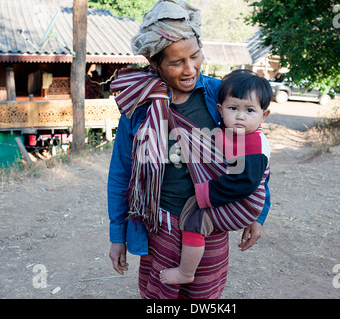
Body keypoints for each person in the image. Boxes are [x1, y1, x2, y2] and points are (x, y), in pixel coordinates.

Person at [108, 0, 271, 299]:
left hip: (212, 220)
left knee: (204, 296)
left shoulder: (221, 96)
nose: (189, 68)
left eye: (195, 56)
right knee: (161, 296)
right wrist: (117, 235)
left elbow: (253, 156)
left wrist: (258, 215)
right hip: (160, 224)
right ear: (153, 63)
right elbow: (122, 173)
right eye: (176, 62)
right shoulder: (139, 107)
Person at [159, 70, 272, 285]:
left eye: (249, 110)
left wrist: (205, 193)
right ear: (220, 110)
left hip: (245, 203)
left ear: (263, 115)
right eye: (233, 108)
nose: (240, 116)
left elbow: (245, 182)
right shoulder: (233, 134)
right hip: (235, 196)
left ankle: (186, 272)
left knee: (195, 220)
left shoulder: (255, 144)